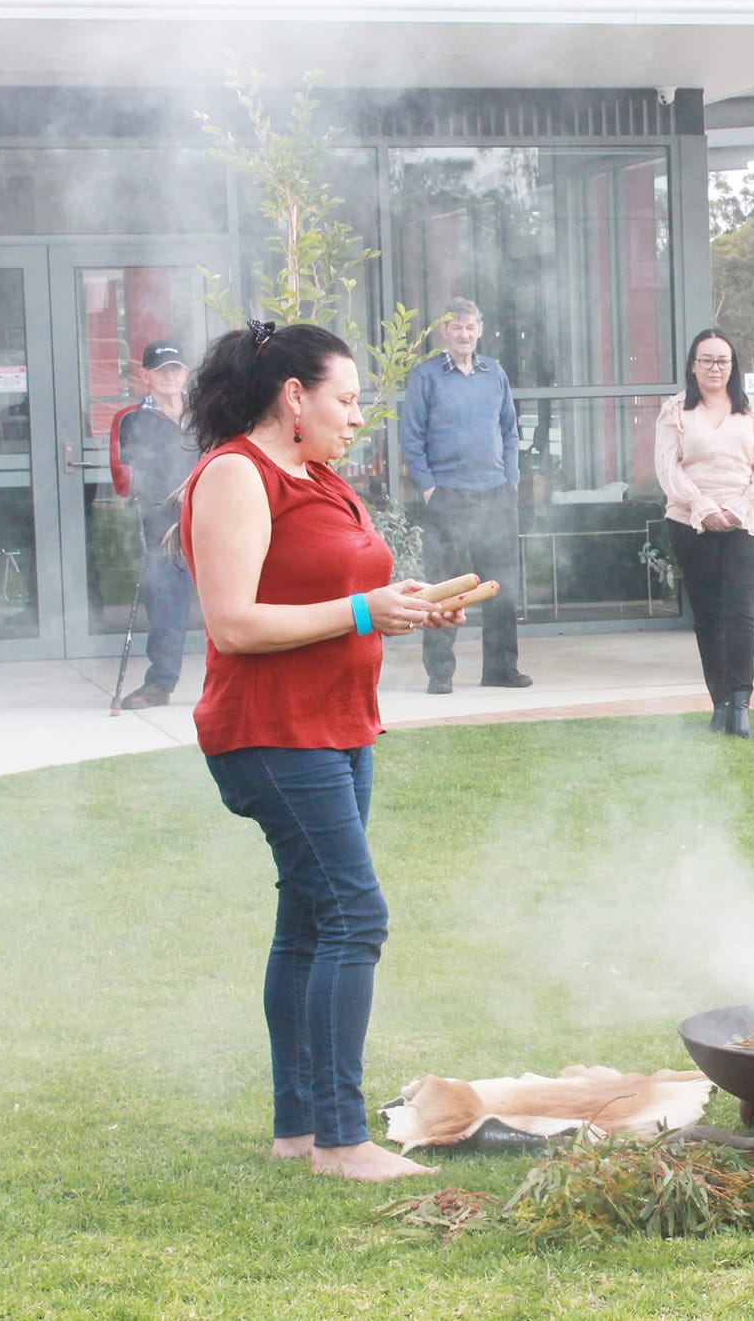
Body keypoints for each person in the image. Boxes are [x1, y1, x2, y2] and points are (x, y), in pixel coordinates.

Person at [180, 319, 460, 1181]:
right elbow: (234, 622)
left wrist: (403, 599)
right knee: (353, 915)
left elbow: (339, 587)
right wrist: (368, 611)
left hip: (337, 725)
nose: (356, 417)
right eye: (345, 399)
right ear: (292, 396)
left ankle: (298, 1129)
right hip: (270, 730)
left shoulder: (324, 480)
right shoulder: (235, 473)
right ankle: (342, 1140)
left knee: (307, 919)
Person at [653, 328, 754, 739]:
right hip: (690, 522)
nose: (715, 368)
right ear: (693, 365)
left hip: (746, 522)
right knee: (708, 617)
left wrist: (737, 508)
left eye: (722, 361)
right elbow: (667, 469)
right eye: (706, 360)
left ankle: (742, 703)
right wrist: (705, 508)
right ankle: (720, 702)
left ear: (733, 366)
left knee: (740, 614)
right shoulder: (675, 410)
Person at [400, 297, 529, 695]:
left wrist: (512, 480)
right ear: (444, 331)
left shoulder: (495, 374)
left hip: (495, 495)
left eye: (470, 326)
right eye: (456, 326)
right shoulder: (426, 377)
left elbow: (509, 431)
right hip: (448, 497)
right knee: (444, 587)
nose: (463, 333)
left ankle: (501, 670)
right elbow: (411, 437)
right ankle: (440, 674)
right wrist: (429, 489)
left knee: (501, 586)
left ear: (480, 328)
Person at [110, 340, 202, 709]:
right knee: (166, 602)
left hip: (214, 516)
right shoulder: (132, 420)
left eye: (176, 369)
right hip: (162, 522)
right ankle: (160, 684)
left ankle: (240, 684)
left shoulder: (205, 416)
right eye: (161, 370)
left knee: (230, 600)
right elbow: (128, 478)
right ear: (144, 374)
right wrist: (172, 492)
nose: (170, 376)